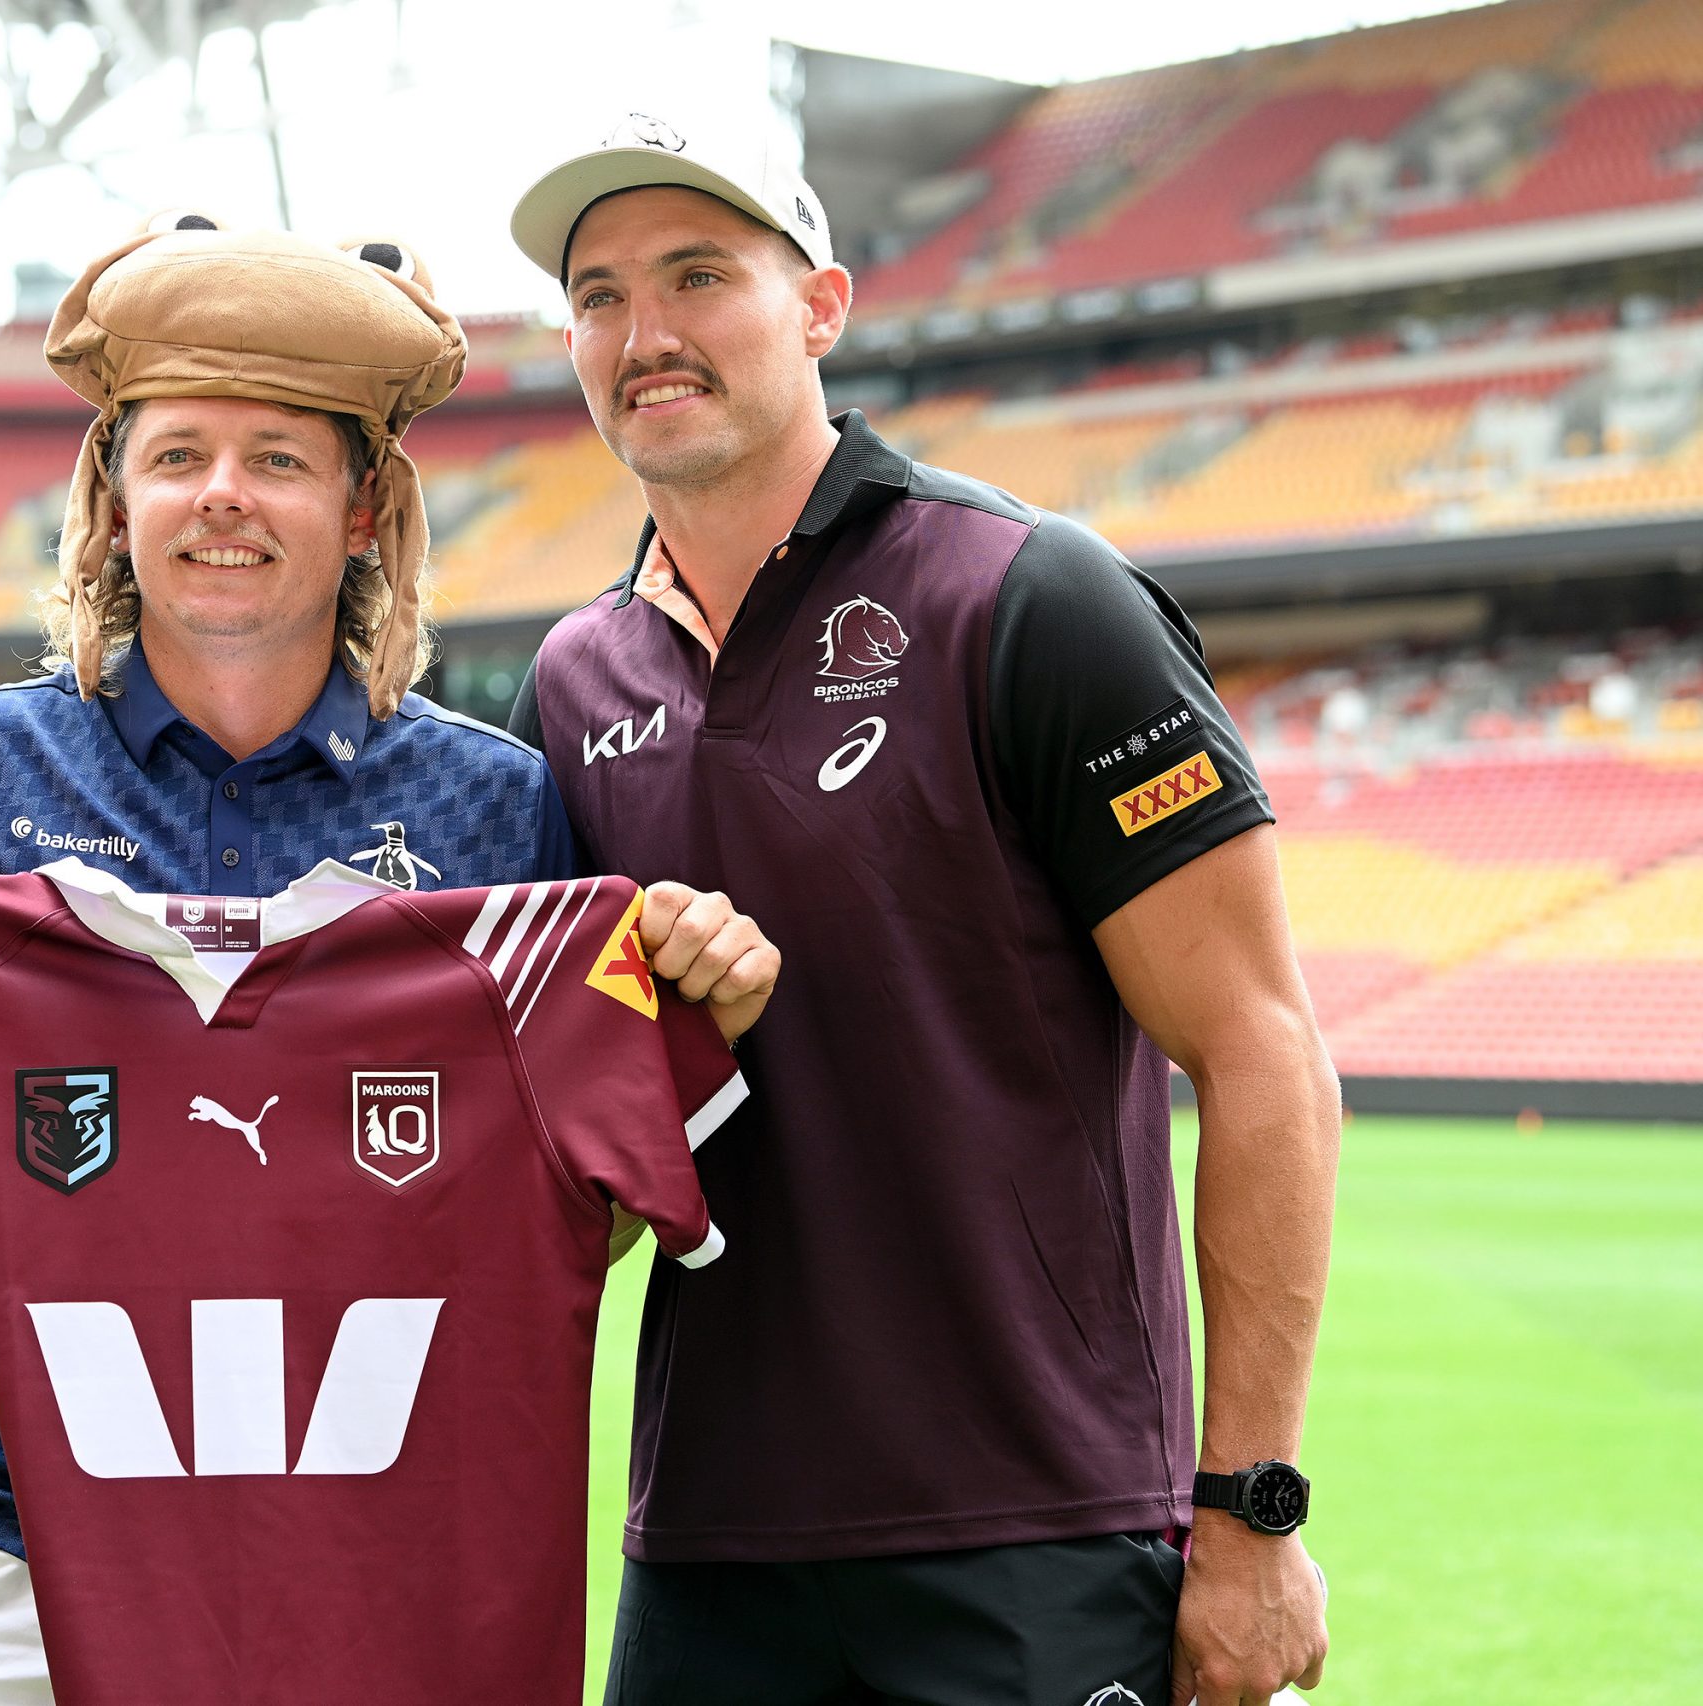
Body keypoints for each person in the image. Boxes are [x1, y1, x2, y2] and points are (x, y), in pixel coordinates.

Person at [0, 214, 779, 1705]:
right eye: (178, 454)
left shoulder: (494, 803)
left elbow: (569, 1204)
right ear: (112, 499)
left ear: (364, 506)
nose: (222, 497)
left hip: (385, 1550)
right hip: (18, 1554)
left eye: (279, 458)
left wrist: (697, 992)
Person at [503, 115, 1338, 1706]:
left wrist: (1251, 1514)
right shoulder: (571, 681)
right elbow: (580, 1158)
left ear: (820, 306)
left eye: (698, 275)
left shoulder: (1031, 595)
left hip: (1041, 1534)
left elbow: (1264, 1053)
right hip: (703, 1557)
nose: (644, 333)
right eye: (599, 295)